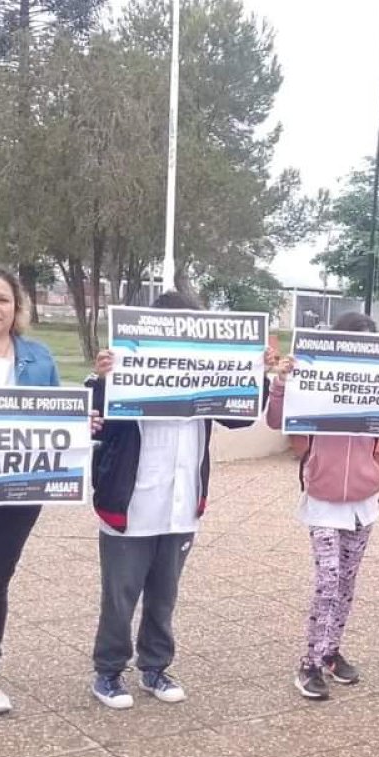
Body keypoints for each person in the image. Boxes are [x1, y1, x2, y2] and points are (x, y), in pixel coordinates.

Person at [87, 291, 274, 710]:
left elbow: (239, 416)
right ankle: (109, 672)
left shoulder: (207, 371)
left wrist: (256, 373)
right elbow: (96, 425)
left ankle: (155, 666)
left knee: (164, 594)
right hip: (130, 504)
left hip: (182, 501)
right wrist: (104, 379)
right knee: (120, 594)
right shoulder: (122, 370)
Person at [266, 312, 379, 700]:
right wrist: (282, 383)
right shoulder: (316, 381)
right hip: (322, 497)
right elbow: (276, 420)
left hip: (363, 499)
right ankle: (310, 663)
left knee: (347, 583)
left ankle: (331, 652)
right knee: (329, 581)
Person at [0, 268, 62, 716]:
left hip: (17, 490)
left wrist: (80, 427)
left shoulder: (38, 357)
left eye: (2, 299)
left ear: (17, 308)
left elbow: (55, 415)